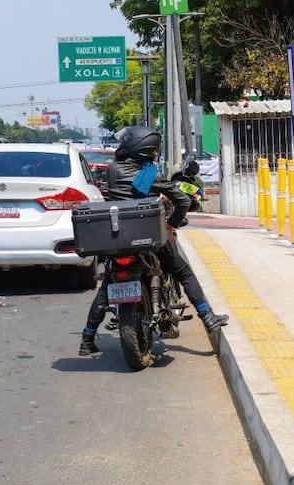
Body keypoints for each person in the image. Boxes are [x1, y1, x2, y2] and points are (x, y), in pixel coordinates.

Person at [78, 126, 229, 356]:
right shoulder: (149, 174)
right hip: (148, 238)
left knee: (107, 286)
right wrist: (172, 224)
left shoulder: (113, 170)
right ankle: (207, 317)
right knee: (183, 272)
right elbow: (182, 200)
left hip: (117, 239)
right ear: (150, 149)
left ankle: (87, 339)